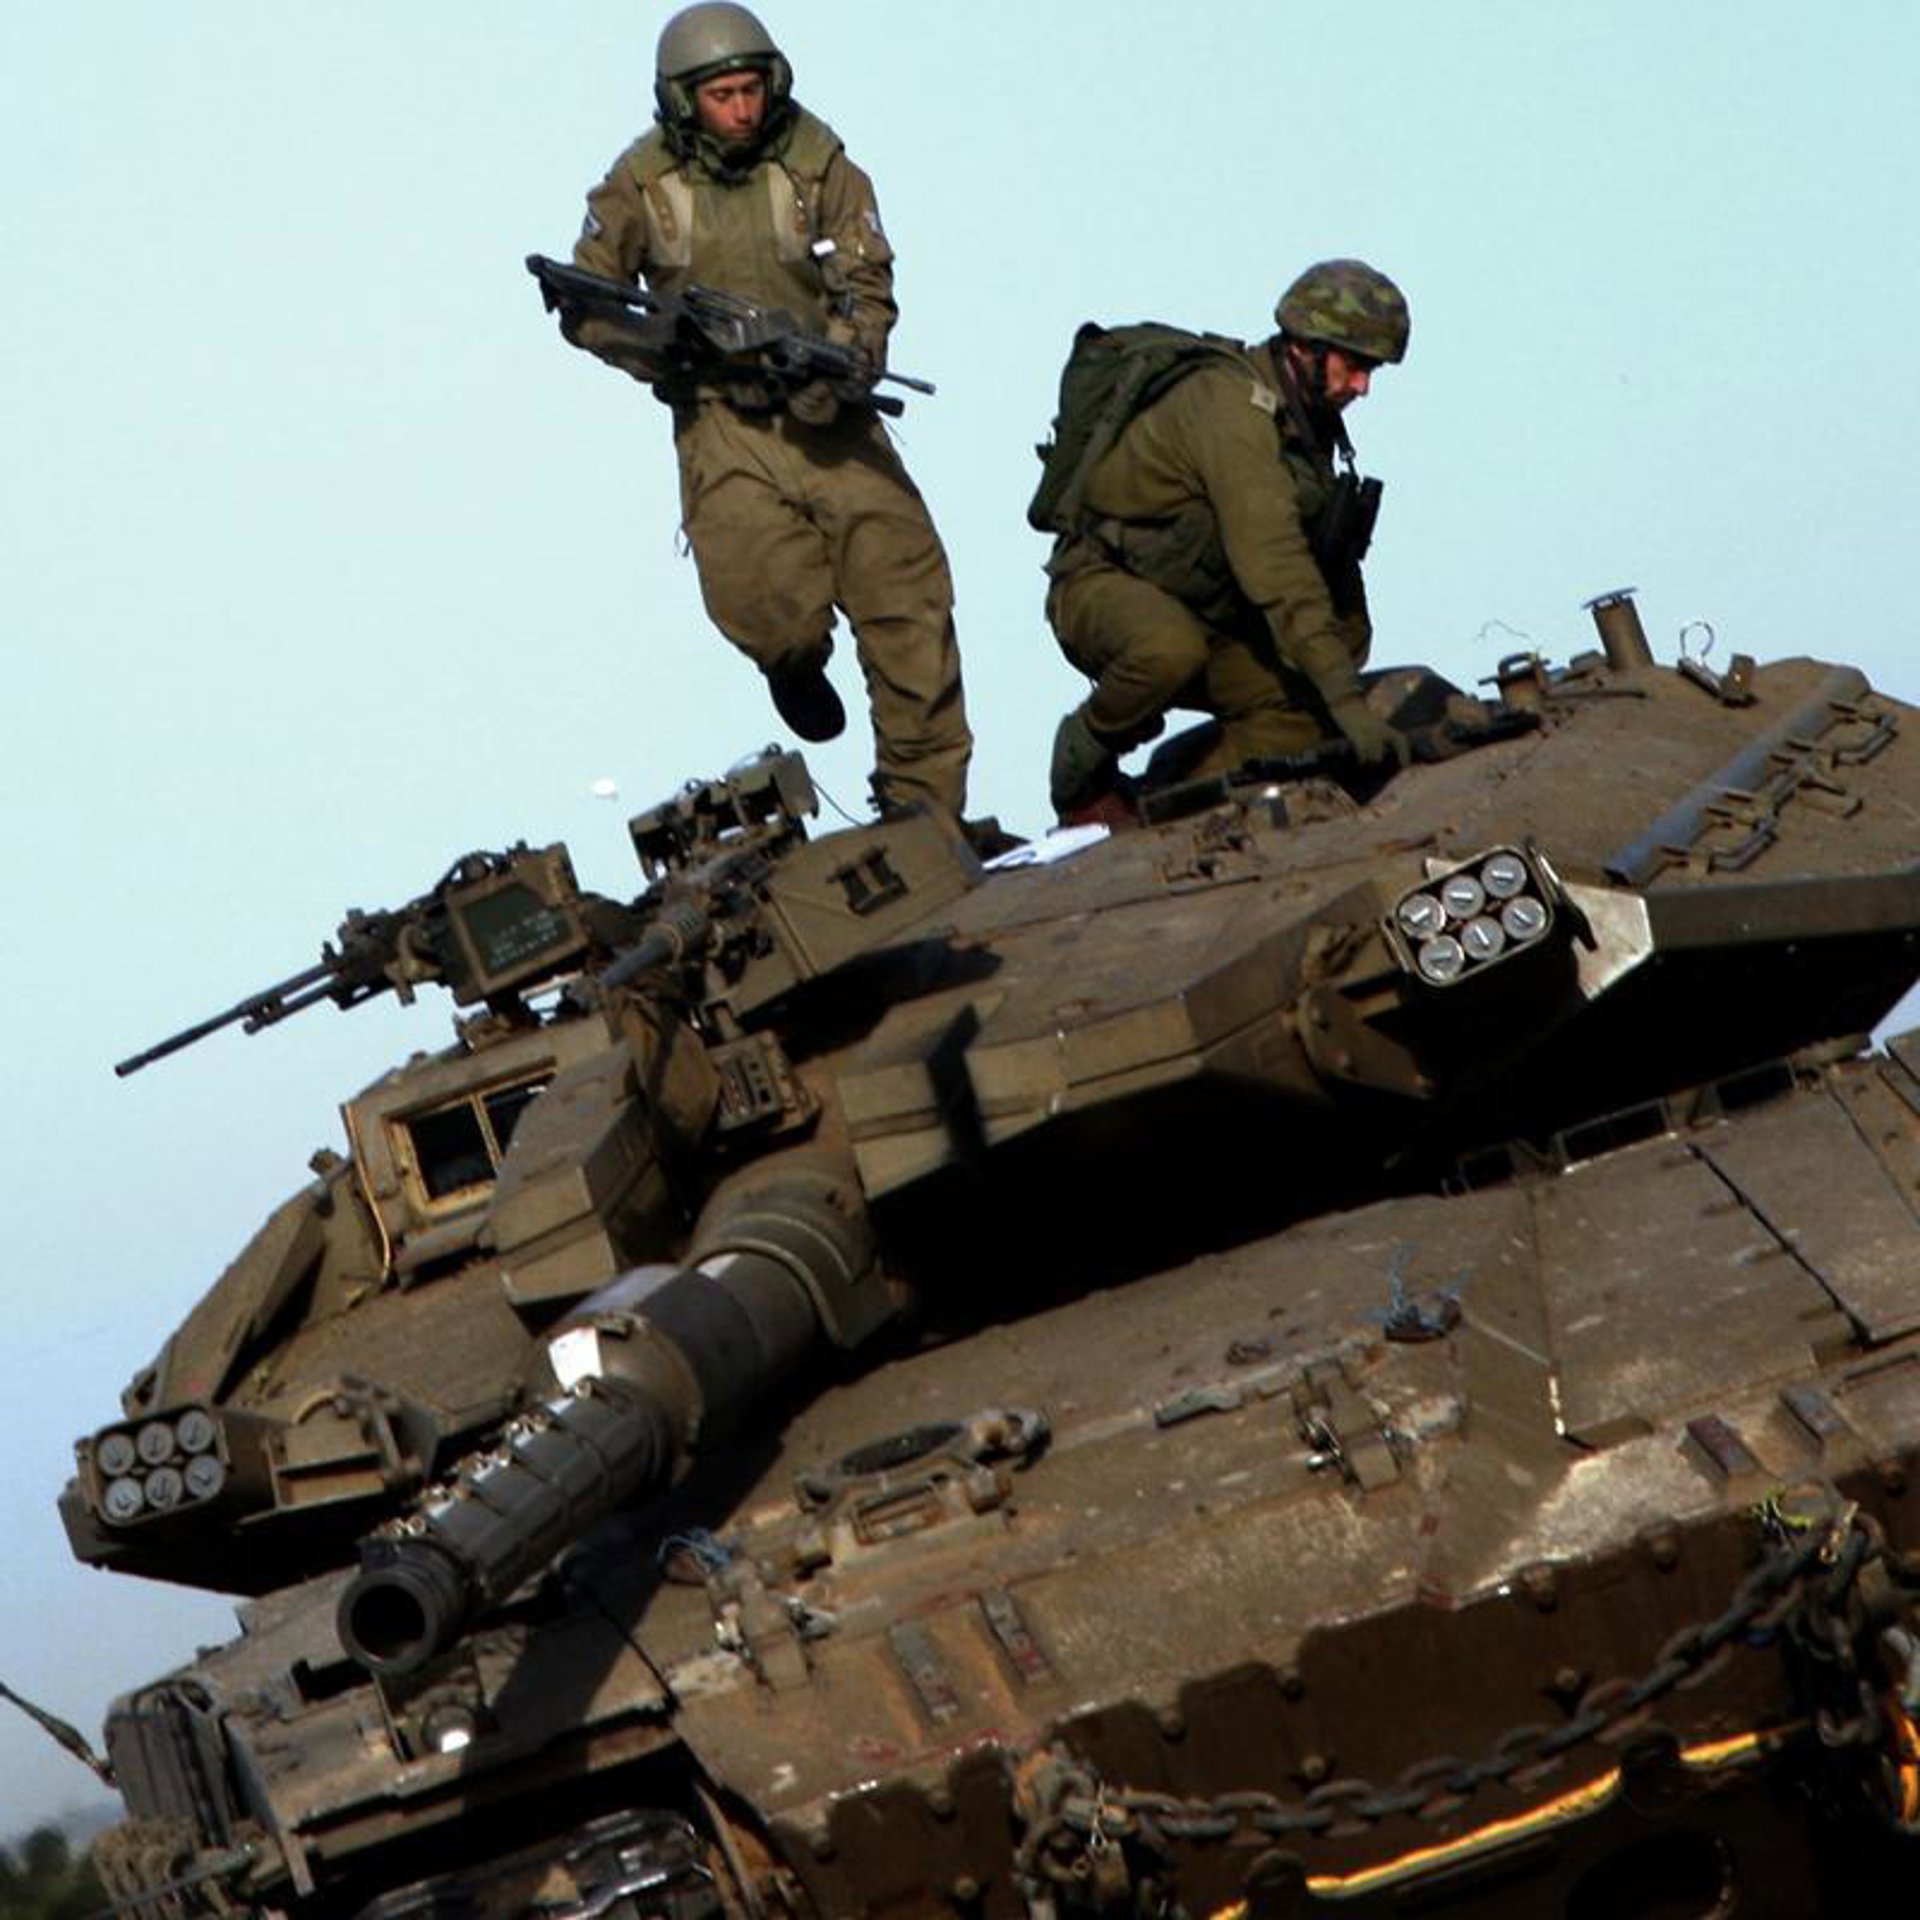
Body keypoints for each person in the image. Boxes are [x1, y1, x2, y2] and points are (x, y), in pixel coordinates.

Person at [563, 3, 971, 819]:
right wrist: (663, 347)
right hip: (723, 422)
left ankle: (924, 814)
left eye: (752, 90)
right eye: (723, 96)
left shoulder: (821, 165)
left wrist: (847, 358)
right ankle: (792, 665)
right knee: (771, 612)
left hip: (834, 420)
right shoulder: (640, 184)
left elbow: (867, 285)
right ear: (684, 100)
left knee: (909, 607)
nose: (743, 110)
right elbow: (586, 301)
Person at [1043, 260, 1412, 824]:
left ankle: (1167, 803)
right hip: (1103, 585)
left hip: (1209, 610)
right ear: (1306, 347)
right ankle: (1081, 765)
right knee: (1167, 650)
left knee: (1295, 717)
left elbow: (1317, 564)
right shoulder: (1231, 410)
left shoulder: (1306, 424)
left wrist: (1334, 681)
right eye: (1355, 364)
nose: (1363, 386)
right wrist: (1348, 701)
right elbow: (1276, 566)